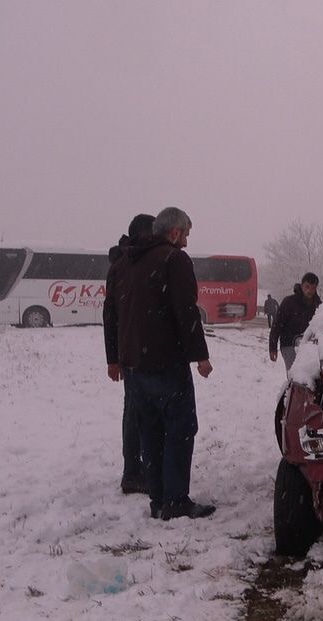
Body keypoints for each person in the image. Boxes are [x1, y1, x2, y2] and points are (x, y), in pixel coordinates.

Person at [104, 207, 216, 521]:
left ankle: (158, 499)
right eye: (186, 235)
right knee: (180, 429)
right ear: (175, 232)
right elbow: (186, 311)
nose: (187, 242)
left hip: (134, 367)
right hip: (167, 363)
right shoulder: (173, 259)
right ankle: (176, 500)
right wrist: (200, 356)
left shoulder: (123, 263)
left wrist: (113, 358)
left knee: (150, 433)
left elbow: (110, 313)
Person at [108, 213, 155, 495]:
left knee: (135, 412)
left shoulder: (122, 263)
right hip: (136, 354)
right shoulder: (126, 264)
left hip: (131, 352)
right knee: (137, 414)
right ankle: (134, 472)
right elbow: (110, 315)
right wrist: (113, 359)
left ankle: (137, 471)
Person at [268, 272, 322, 372]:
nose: (310, 290)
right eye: (307, 287)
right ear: (302, 286)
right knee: (294, 375)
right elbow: (277, 325)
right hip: (289, 345)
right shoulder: (289, 302)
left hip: (309, 347)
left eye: (313, 288)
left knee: (309, 376)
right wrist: (273, 348)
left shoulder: (318, 305)